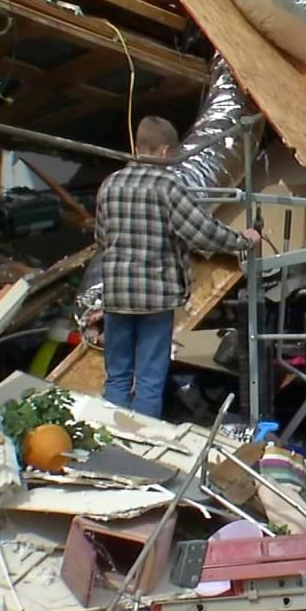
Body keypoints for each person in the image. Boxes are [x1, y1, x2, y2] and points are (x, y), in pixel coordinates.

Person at [95, 116, 260, 417]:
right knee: (149, 381)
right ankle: (142, 446)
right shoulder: (167, 185)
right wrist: (242, 240)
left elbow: (102, 239)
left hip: (116, 298)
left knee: (117, 378)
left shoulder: (110, 184)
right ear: (163, 151)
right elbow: (201, 232)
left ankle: (110, 442)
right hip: (155, 299)